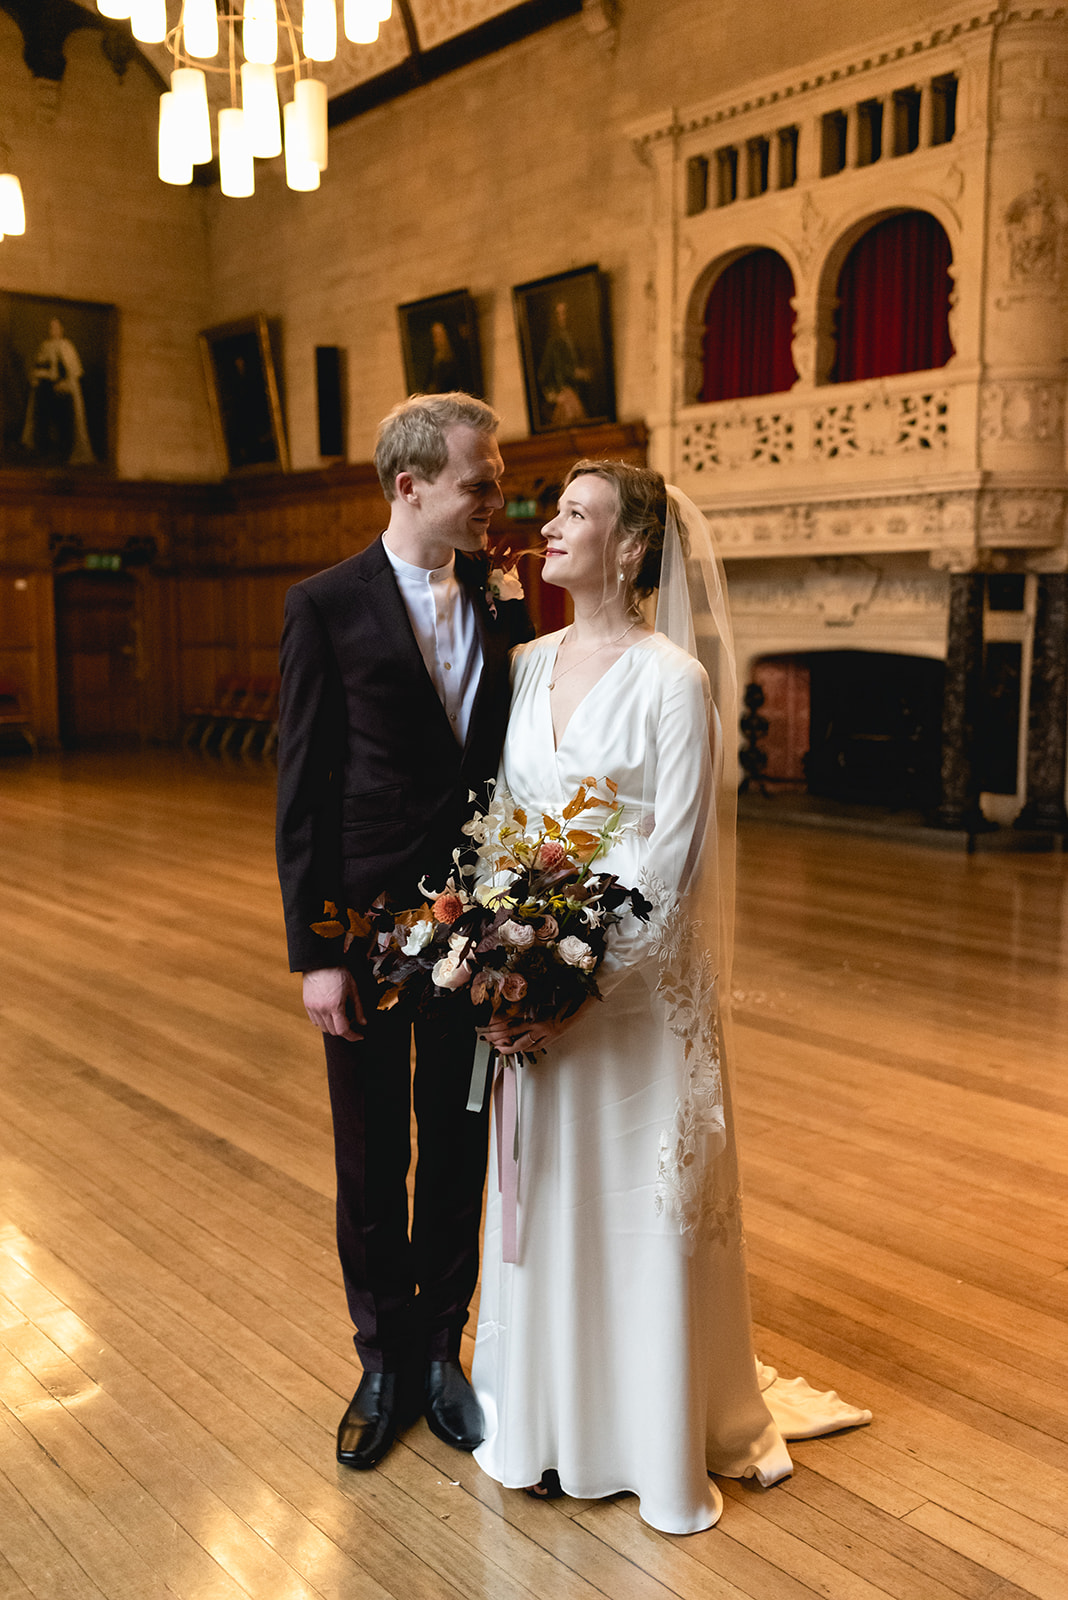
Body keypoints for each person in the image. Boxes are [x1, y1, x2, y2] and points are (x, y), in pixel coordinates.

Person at [471, 460, 870, 1534]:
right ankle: (546, 1425)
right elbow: (505, 827)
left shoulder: (672, 681)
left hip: (631, 1005)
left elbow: (671, 860)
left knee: (627, 1209)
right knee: (547, 1202)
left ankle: (641, 1433)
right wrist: (498, 964)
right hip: (533, 994)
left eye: (574, 515)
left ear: (633, 547)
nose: (547, 527)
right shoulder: (523, 663)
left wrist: (576, 985)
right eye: (552, 510)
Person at [275, 392, 532, 1474]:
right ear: (410, 483)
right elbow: (302, 788)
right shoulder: (324, 604)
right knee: (373, 1152)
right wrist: (318, 951)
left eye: (501, 482)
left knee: (459, 1138)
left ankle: (440, 1350)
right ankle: (381, 1359)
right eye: (483, 482)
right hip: (368, 931)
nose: (498, 501)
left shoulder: (504, 595)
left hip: (475, 933)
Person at [20, 317, 96, 465]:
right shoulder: (44, 346)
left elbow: (74, 372)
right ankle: (43, 450)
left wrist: (65, 383)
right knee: (42, 419)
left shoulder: (67, 346)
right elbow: (39, 367)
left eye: (56, 327)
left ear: (62, 329)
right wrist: (38, 376)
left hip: (62, 391)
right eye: (50, 327)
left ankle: (63, 452)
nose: (53, 330)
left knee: (64, 422)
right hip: (45, 390)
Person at [536, 299, 590, 427]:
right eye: (559, 314)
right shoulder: (553, 343)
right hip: (565, 397)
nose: (563, 317)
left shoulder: (575, 340)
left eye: (565, 313)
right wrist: (555, 395)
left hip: (580, 394)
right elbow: (543, 375)